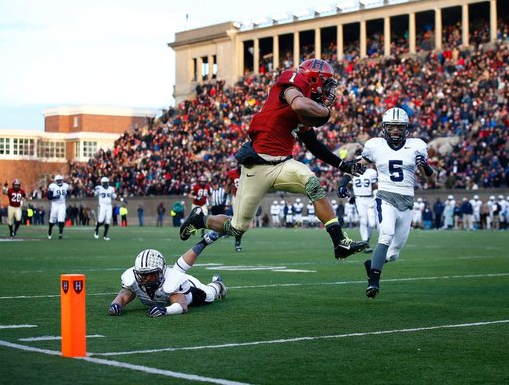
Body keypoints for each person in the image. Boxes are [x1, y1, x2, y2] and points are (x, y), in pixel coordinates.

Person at [178, 58, 368, 266]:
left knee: (312, 183)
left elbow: (313, 145)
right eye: (326, 84)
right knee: (237, 227)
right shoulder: (292, 81)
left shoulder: (304, 109)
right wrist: (326, 113)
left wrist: (342, 165)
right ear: (313, 79)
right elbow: (299, 103)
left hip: (282, 164)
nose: (328, 91)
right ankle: (199, 219)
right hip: (257, 166)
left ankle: (340, 243)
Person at [337, 107, 435, 298]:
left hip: (406, 201)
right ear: (384, 128)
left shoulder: (417, 146)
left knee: (393, 253)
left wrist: (425, 165)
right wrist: (344, 182)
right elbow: (357, 165)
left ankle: (372, 265)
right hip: (385, 197)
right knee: (386, 235)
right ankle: (373, 283)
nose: (395, 131)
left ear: (406, 128)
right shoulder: (376, 146)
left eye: (399, 127)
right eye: (391, 127)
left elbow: (431, 179)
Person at [107, 249, 226, 318]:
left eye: (150, 274)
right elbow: (123, 295)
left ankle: (218, 284)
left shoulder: (172, 282)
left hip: (191, 289)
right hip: (171, 288)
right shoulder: (131, 278)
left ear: (161, 271)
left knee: (209, 295)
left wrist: (165, 311)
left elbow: (182, 307)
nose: (146, 278)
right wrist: (116, 305)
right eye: (142, 274)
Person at [47, 174, 70, 240]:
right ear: (55, 181)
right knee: (52, 219)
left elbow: (68, 193)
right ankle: (50, 230)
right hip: (54, 204)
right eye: (58, 181)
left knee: (61, 218)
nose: (59, 182)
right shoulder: (52, 186)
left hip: (62, 204)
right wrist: (54, 197)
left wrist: (68, 195)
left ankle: (60, 233)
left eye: (60, 180)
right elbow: (49, 197)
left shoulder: (66, 186)